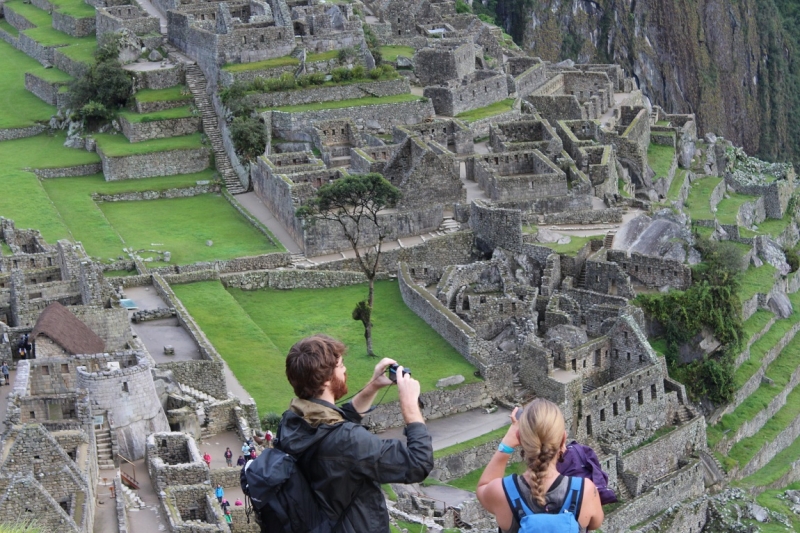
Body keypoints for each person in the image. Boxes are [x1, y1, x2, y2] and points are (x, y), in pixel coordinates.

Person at [276, 334, 433, 533]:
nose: (345, 369)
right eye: (340, 366)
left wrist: (373, 385)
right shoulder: (348, 441)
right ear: (326, 381)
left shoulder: (292, 421)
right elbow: (418, 463)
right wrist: (410, 405)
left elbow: (333, 424)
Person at [476, 399, 604, 532]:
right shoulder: (586, 490)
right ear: (563, 439)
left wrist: (507, 443)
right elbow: (595, 524)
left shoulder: (501, 492)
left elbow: (482, 488)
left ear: (519, 438)